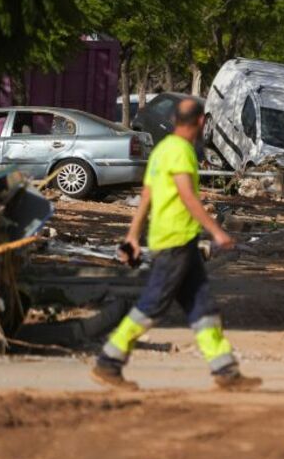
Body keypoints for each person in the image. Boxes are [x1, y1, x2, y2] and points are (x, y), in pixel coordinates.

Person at [92, 97, 260, 392]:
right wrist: (217, 232)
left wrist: (133, 234)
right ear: (201, 122)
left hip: (177, 240)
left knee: (203, 307)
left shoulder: (161, 150)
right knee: (153, 305)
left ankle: (225, 370)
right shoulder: (182, 151)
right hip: (176, 241)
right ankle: (108, 361)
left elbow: (147, 195)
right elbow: (187, 195)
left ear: (173, 121)